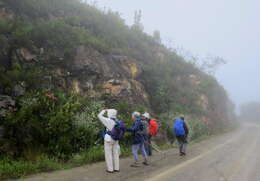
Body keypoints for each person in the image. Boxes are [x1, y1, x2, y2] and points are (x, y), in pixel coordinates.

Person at [98, 109, 120, 173]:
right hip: (116, 139)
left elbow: (99, 116)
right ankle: (117, 168)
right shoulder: (117, 121)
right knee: (116, 154)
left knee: (108, 154)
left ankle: (110, 169)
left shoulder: (108, 120)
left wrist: (104, 110)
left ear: (109, 114)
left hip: (109, 139)